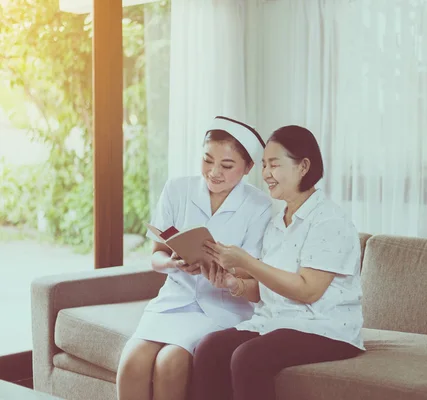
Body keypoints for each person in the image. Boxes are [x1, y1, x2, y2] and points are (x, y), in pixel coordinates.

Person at [190, 125, 364, 400]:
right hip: (278, 322)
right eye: (264, 165)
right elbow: (266, 290)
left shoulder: (330, 221)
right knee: (210, 348)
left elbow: (308, 290)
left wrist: (247, 261)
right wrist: (233, 283)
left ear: (303, 166)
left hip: (325, 329)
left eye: (274, 165)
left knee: (249, 357)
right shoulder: (276, 222)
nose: (266, 174)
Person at [116, 116, 272, 400]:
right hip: (173, 300)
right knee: (131, 362)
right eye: (207, 160)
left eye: (227, 166)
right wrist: (174, 263)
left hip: (222, 308)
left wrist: (227, 277)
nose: (214, 172)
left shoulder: (260, 207)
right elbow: (156, 257)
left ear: (248, 167)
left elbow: (252, 277)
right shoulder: (177, 189)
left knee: (170, 361)